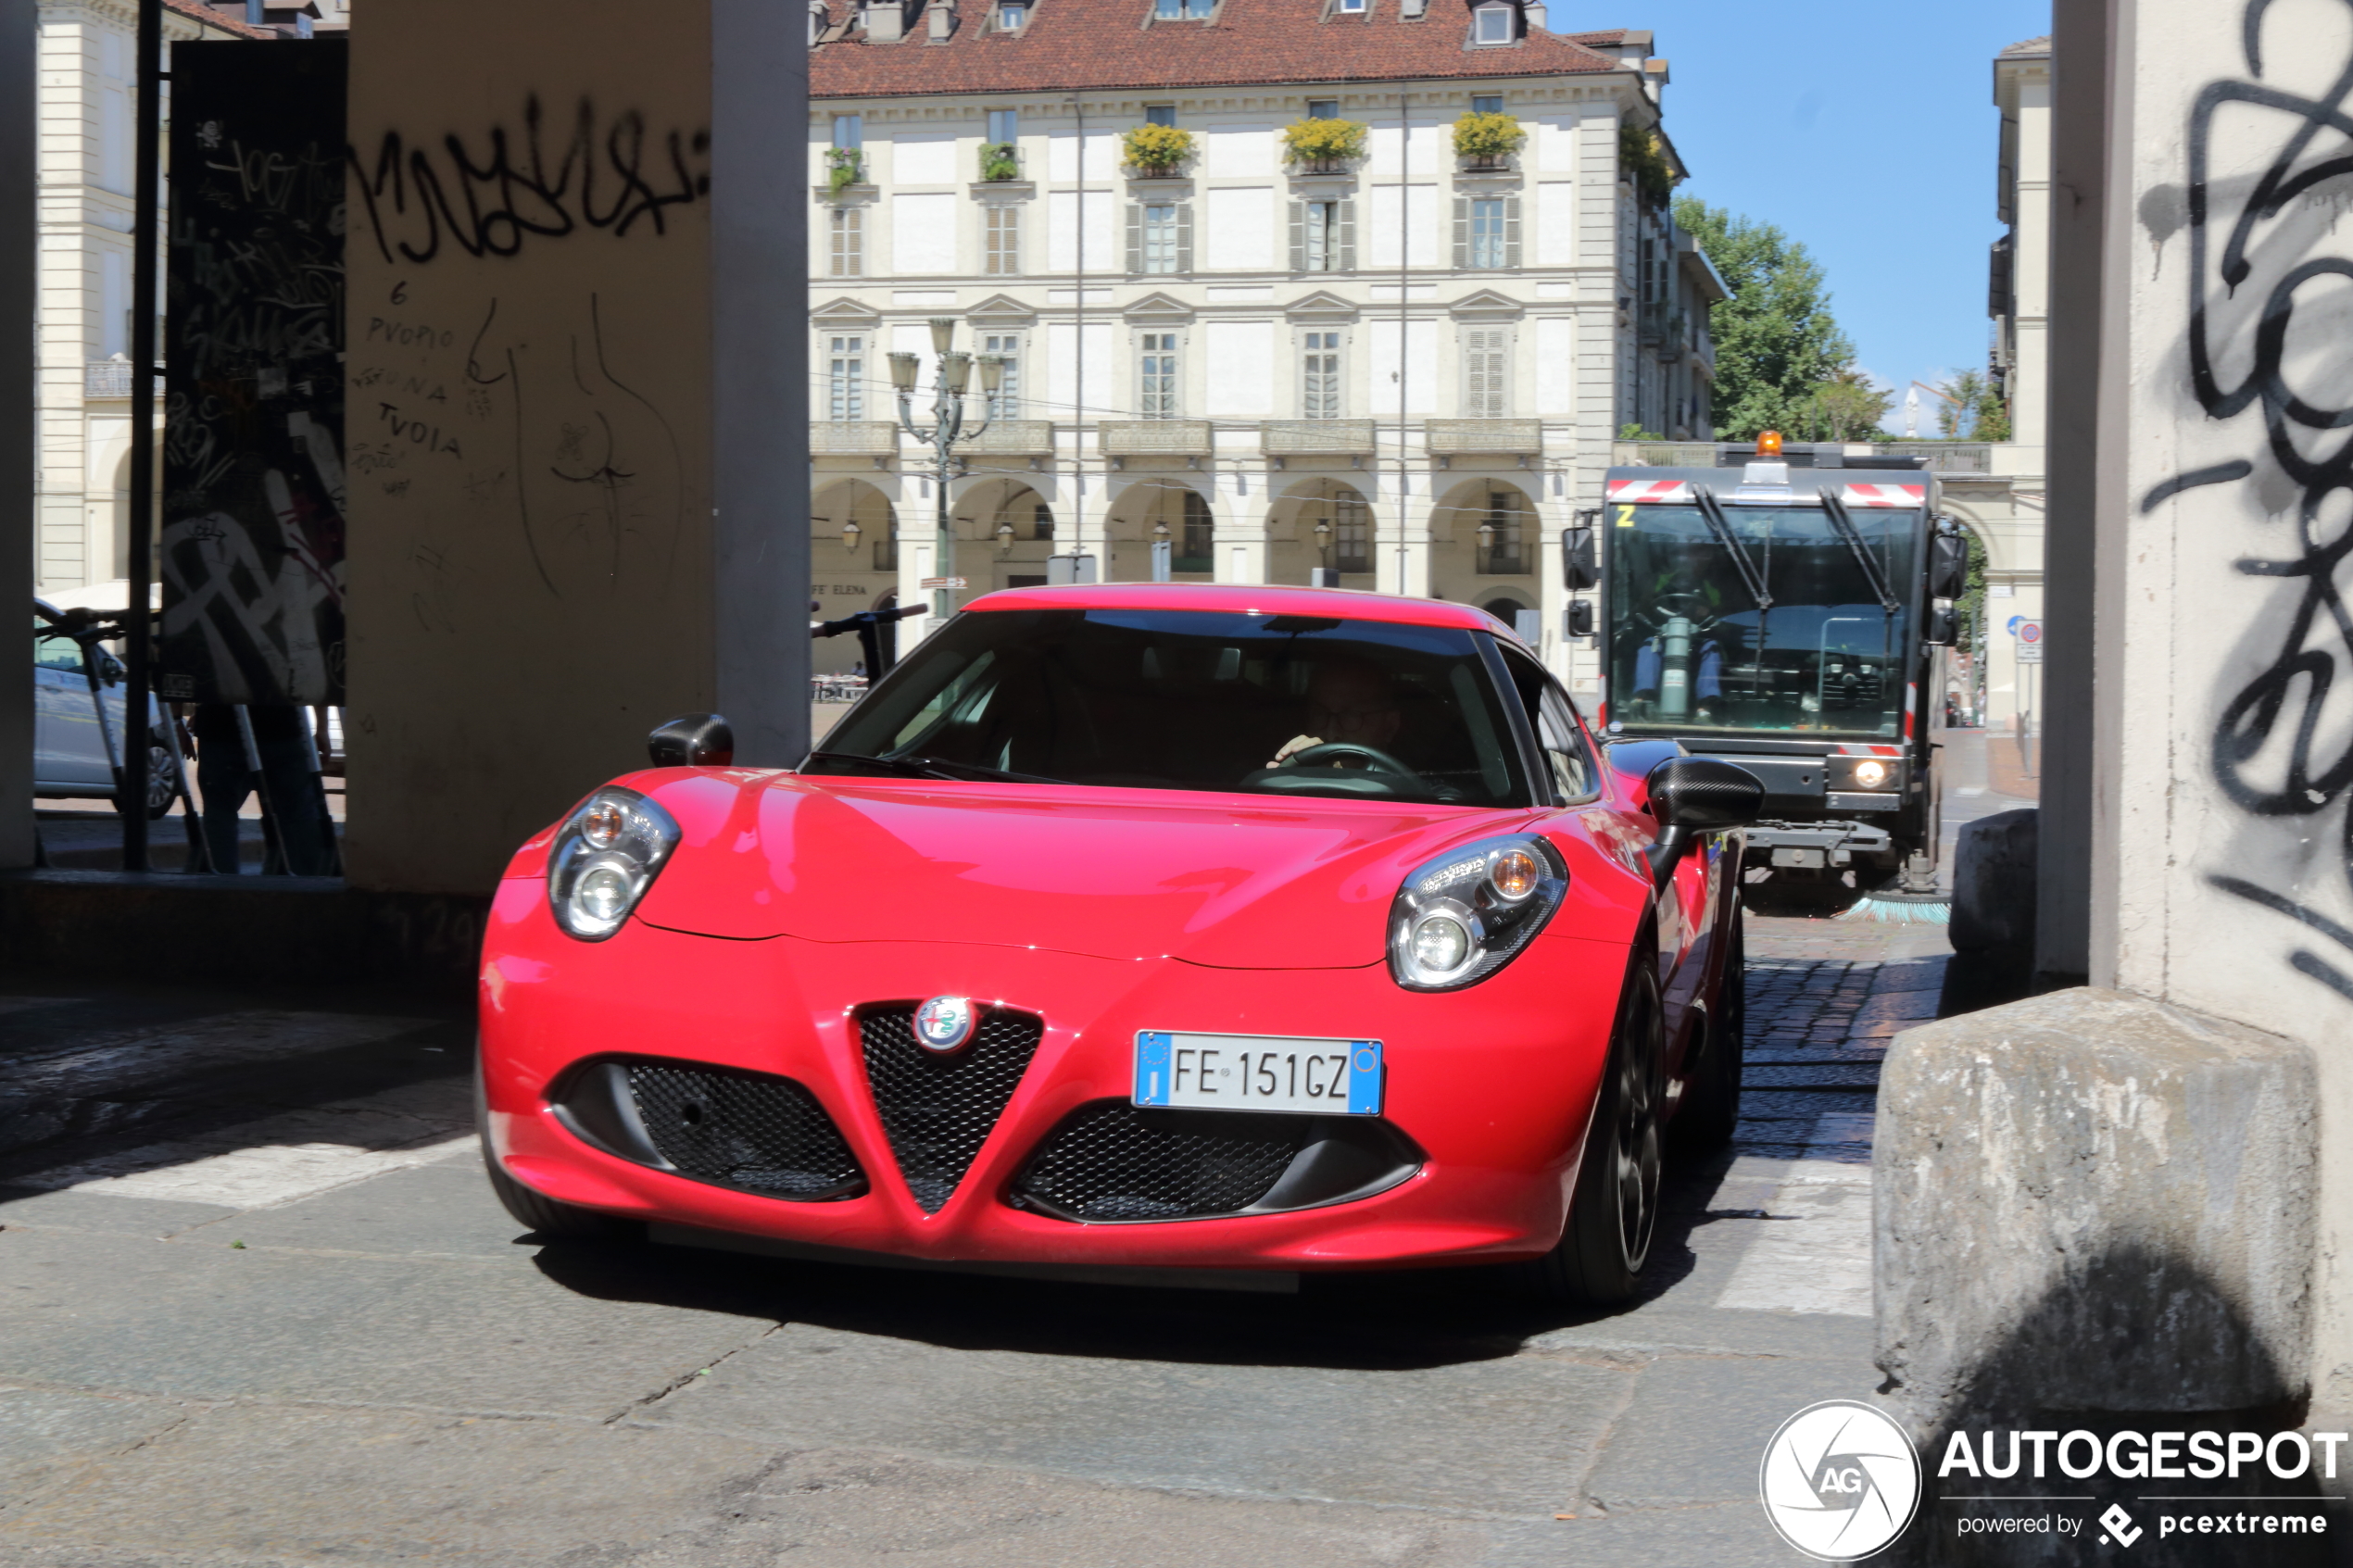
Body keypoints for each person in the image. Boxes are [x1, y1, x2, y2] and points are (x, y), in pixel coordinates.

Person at [1267, 659, 1403, 767]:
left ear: (1389, 726)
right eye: (1320, 714)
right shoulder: (1296, 771)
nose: (1331, 735)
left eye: (1350, 715)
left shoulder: (1413, 794)